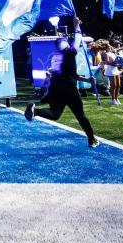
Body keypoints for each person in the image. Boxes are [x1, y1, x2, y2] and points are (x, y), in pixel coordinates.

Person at [25, 16, 99, 148]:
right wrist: (76, 25)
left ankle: (35, 111)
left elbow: (69, 74)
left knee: (55, 114)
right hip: (69, 90)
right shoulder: (70, 53)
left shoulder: (56, 57)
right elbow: (78, 39)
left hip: (56, 88)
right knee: (81, 116)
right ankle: (91, 139)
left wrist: (87, 79)